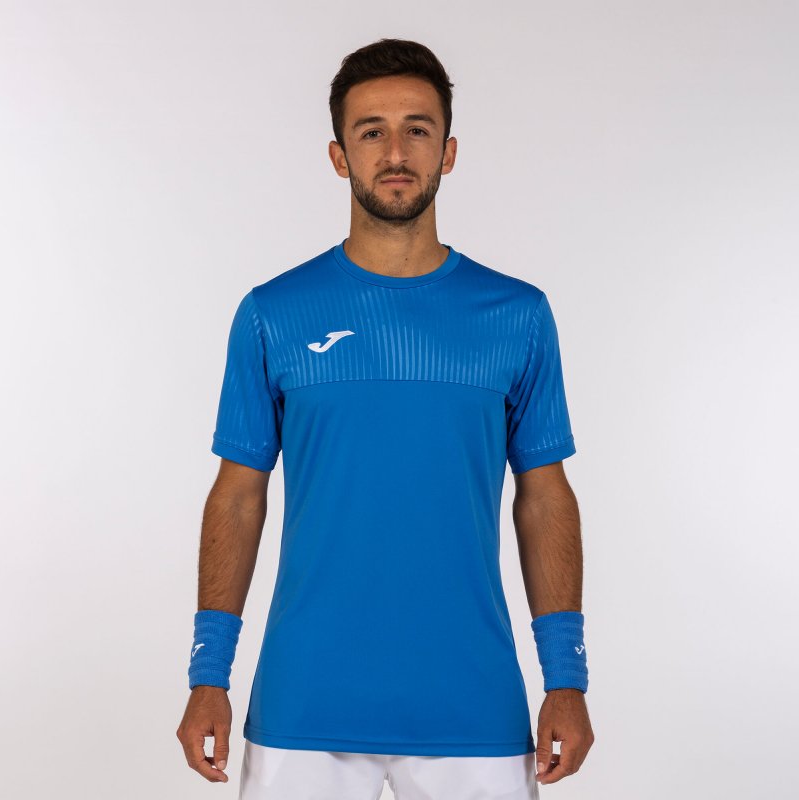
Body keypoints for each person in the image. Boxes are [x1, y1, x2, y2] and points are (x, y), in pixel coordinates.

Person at [176, 37, 595, 800]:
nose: (396, 152)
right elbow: (238, 495)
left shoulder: (517, 316)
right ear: (339, 156)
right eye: (372, 132)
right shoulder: (273, 314)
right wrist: (210, 674)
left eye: (417, 129)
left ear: (449, 151)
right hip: (303, 705)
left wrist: (565, 679)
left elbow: (544, 497)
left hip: (475, 707)